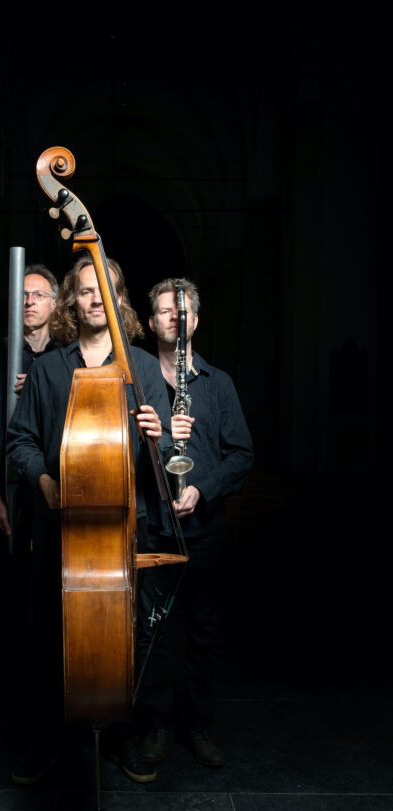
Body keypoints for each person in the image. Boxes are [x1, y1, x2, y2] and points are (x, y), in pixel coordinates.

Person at [6, 253, 174, 785]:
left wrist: (158, 436)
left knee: (129, 639)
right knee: (49, 638)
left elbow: (168, 458)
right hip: (61, 529)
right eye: (84, 290)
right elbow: (20, 440)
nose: (94, 299)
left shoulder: (142, 368)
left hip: (126, 526)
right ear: (72, 302)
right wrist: (44, 480)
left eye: (104, 289)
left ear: (120, 298)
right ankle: (52, 741)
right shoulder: (51, 368)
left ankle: (124, 739)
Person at [137, 276, 254, 769]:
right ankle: (155, 725)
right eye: (165, 311)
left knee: (205, 631)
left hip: (204, 528)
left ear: (197, 321)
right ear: (150, 322)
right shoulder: (137, 384)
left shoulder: (219, 384)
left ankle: (196, 723)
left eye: (183, 313)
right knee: (153, 632)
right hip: (153, 527)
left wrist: (202, 488)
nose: (175, 319)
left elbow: (241, 454)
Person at [0, 263, 58, 730]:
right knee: (9, 608)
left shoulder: (68, 358)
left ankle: (55, 715)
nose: (29, 302)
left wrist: (39, 389)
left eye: (39, 294)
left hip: (53, 502)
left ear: (56, 304)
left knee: (52, 611)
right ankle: (13, 718)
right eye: (22, 295)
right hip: (7, 504)